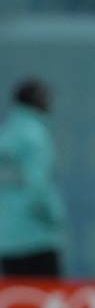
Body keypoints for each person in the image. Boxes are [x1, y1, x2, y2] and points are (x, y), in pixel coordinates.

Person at [0, 80, 65, 277]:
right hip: (37, 237)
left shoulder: (7, 133)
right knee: (44, 299)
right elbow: (37, 185)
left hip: (6, 237)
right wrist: (54, 216)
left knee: (18, 297)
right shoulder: (35, 136)